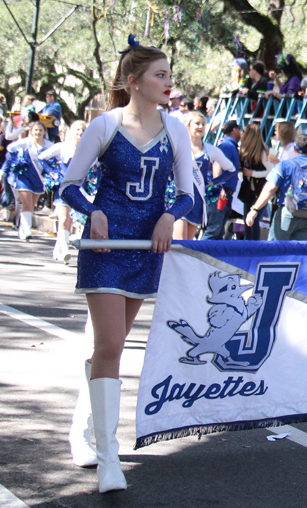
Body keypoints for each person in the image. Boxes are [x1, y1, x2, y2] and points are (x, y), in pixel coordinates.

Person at [58, 37, 193, 492]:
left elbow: (189, 194)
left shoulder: (175, 129)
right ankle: (109, 455)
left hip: (145, 251)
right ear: (133, 81)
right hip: (105, 249)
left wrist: (169, 217)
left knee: (104, 349)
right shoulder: (105, 125)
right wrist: (91, 210)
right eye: (160, 74)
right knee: (111, 347)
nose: (169, 82)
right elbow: (69, 185)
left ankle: (84, 428)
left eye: (169, 74)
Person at [245, 133, 307, 241]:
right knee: (298, 254)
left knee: (276, 252)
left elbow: (270, 188)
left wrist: (255, 209)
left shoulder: (285, 165)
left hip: (287, 215)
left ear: (294, 147)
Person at [174, 112, 236, 240]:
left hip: (196, 201)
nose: (200, 126)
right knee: (179, 244)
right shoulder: (178, 146)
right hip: (178, 198)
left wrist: (214, 183)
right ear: (188, 126)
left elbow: (231, 169)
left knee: (188, 247)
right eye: (197, 123)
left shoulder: (209, 149)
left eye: (203, 124)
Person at [38, 120, 88, 262]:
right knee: (64, 218)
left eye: (83, 130)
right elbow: (42, 157)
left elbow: (95, 166)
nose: (80, 132)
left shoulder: (88, 149)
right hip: (63, 187)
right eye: (77, 129)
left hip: (79, 188)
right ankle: (64, 249)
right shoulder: (62, 147)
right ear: (71, 131)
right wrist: (52, 172)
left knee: (70, 220)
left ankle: (58, 248)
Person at [0, 121, 53, 240]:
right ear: (31, 131)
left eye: (40, 130)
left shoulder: (49, 146)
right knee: (26, 203)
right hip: (24, 177)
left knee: (31, 205)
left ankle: (22, 228)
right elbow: (10, 154)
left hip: (39, 179)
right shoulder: (24, 143)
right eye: (35, 130)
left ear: (44, 132)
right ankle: (27, 230)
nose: (38, 132)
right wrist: (2, 172)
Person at [202, 120, 241, 241]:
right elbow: (217, 165)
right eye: (240, 130)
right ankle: (196, 257)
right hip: (220, 194)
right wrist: (219, 187)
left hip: (225, 194)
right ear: (234, 130)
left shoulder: (229, 146)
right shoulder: (227, 146)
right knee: (214, 231)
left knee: (218, 233)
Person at [237, 123, 273, 240]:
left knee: (254, 220)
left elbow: (270, 170)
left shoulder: (261, 152)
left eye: (244, 132)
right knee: (246, 220)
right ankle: (247, 245)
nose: (241, 134)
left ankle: (255, 247)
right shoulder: (243, 150)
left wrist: (253, 173)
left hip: (260, 191)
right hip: (248, 190)